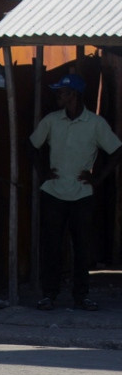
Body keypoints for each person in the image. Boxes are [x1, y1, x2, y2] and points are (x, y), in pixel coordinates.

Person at [29, 73, 122, 312]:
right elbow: (32, 145)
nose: (58, 95)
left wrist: (98, 178)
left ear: (74, 95)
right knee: (51, 245)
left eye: (62, 92)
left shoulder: (95, 123)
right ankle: (49, 294)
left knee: (82, 247)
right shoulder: (51, 120)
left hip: (82, 194)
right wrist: (42, 172)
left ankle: (81, 296)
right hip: (53, 191)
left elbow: (116, 151)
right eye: (58, 92)